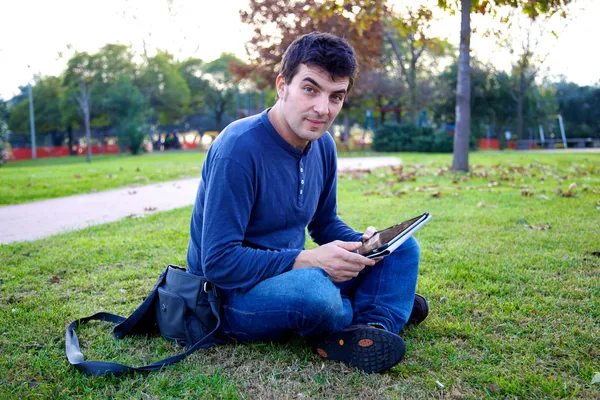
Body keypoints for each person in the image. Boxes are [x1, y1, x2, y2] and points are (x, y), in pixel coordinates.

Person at [186, 32, 427, 374]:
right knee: (316, 293)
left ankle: (374, 327)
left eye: (336, 96)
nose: (322, 108)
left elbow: (325, 224)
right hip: (233, 297)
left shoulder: (324, 145)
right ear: (282, 85)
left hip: (294, 272)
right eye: (310, 89)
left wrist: (365, 244)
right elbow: (218, 262)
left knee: (402, 249)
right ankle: (378, 303)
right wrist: (307, 259)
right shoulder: (238, 149)